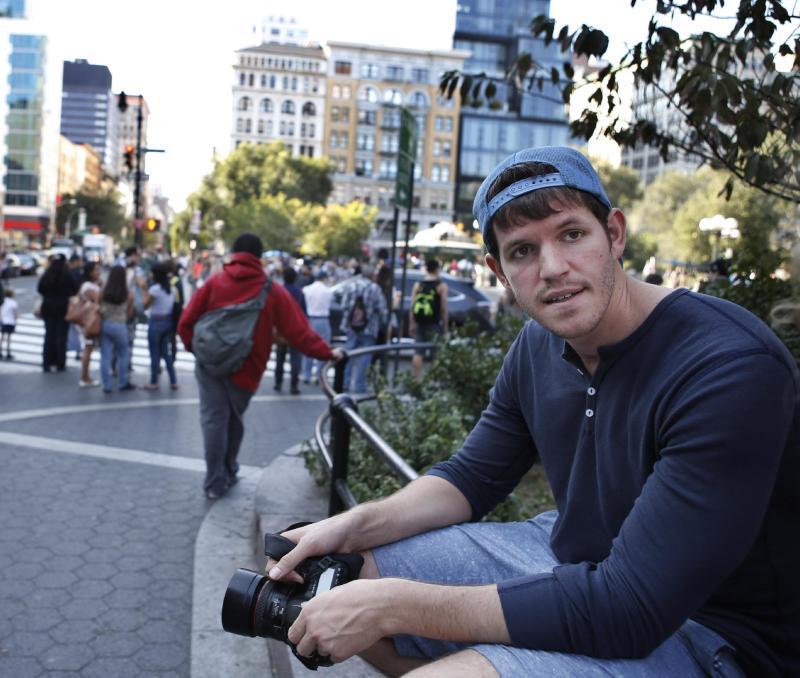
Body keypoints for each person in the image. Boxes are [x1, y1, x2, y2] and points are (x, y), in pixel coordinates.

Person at [265, 147, 800, 677]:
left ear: (613, 233)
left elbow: (632, 608)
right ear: (499, 271)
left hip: (713, 633)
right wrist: (350, 527)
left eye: (571, 234)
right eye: (522, 250)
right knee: (348, 575)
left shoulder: (728, 366)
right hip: (574, 559)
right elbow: (472, 478)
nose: (553, 268)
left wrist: (394, 605)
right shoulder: (536, 346)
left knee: (391, 615)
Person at [178, 233, 342, 501]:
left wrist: (199, 352)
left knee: (213, 421)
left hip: (209, 365)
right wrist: (327, 352)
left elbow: (185, 322)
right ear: (259, 257)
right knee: (233, 420)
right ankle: (228, 469)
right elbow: (299, 332)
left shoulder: (214, 282)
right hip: (246, 367)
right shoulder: (270, 290)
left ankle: (214, 481)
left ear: (234, 253)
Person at [338, 265, 387, 394]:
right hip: (369, 327)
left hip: (351, 326)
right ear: (372, 276)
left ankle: (345, 383)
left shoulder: (351, 286)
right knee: (366, 356)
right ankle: (360, 385)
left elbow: (343, 305)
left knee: (348, 354)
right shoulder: (375, 288)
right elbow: (382, 309)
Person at [37, 255, 79, 372]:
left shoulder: (47, 274)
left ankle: (47, 362)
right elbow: (75, 288)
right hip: (63, 308)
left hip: (48, 308)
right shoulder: (67, 275)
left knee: (49, 335)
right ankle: (60, 362)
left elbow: (40, 289)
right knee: (61, 336)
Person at [409, 259, 448, 380]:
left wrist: (411, 324)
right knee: (435, 354)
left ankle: (417, 380)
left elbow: (412, 306)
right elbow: (443, 308)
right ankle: (433, 381)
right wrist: (445, 326)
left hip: (420, 323)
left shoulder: (418, 284)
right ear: (437, 269)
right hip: (434, 324)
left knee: (418, 352)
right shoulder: (441, 286)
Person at [98, 265, 136, 394]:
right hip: (120, 325)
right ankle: (122, 382)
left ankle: (107, 385)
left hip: (106, 324)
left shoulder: (103, 292)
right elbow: (129, 314)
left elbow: (99, 308)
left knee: (105, 356)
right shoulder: (128, 294)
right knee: (123, 355)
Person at [143, 263, 178, 391]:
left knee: (154, 353)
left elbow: (145, 305)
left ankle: (154, 381)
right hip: (167, 321)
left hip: (156, 321)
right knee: (166, 353)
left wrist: (143, 290)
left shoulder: (155, 290)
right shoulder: (172, 289)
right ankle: (173, 380)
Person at [274, 266, 307, 395]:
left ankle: (278, 382)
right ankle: (294, 385)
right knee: (295, 358)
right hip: (295, 329)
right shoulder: (299, 292)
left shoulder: (279, 291)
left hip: (281, 329)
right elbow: (304, 314)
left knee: (280, 357)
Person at [301, 269, 333, 385]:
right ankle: (319, 375)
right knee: (323, 347)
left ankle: (306, 374)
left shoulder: (307, 290)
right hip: (323, 319)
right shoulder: (327, 291)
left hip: (310, 319)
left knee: (308, 347)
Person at [77, 261, 102, 388]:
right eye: (96, 270)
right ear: (90, 272)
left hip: (87, 320)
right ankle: (84, 377)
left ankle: (85, 376)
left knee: (88, 348)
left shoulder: (89, 285)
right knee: (88, 348)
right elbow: (99, 300)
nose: (99, 272)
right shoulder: (88, 287)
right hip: (89, 321)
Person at [125, 246, 147, 373]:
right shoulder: (136, 270)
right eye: (137, 255)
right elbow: (142, 284)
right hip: (132, 306)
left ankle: (116, 364)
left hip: (119, 306)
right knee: (129, 336)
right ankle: (127, 362)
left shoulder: (119, 266)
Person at [0, 288, 18, 361]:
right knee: (9, 338)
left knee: (2, 337)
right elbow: (15, 313)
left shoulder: (2, 301)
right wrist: (16, 320)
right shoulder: (13, 302)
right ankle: (8, 352)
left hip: (3, 321)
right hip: (10, 321)